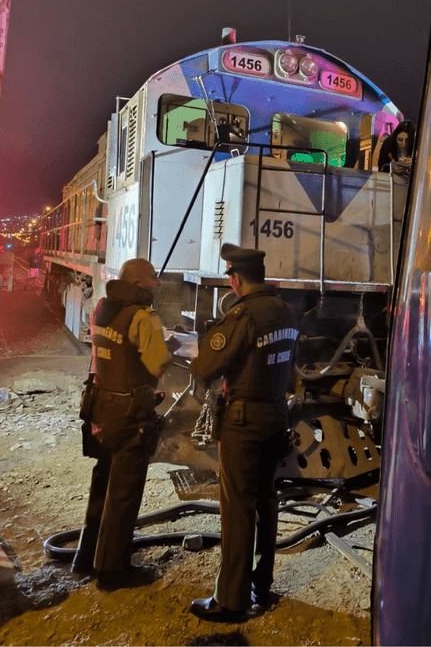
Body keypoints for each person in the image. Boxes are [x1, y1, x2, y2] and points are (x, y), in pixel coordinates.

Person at [187, 243, 299, 621]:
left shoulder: (242, 315)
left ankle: (231, 600)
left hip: (243, 423)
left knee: (237, 509)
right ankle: (260, 587)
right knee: (266, 502)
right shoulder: (286, 311)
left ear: (235, 279)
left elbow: (204, 368)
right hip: (275, 419)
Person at [71, 258, 173, 590]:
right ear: (143, 286)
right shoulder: (142, 318)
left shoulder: (101, 308)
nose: (156, 289)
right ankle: (113, 571)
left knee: (102, 484)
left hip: (101, 409)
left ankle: (86, 557)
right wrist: (163, 342)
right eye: (153, 284)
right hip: (130, 414)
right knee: (124, 493)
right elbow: (157, 365)